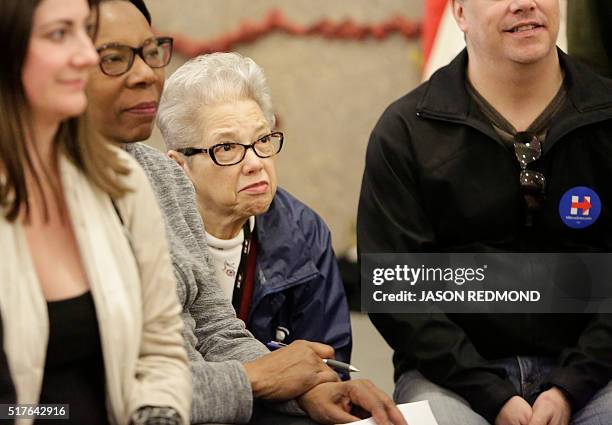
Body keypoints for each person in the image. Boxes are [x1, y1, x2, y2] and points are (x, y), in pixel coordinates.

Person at [85, 1, 405, 424]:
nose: (145, 73)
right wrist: (257, 377)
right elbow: (132, 390)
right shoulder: (46, 193)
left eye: (150, 52)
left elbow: (215, 326)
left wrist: (317, 388)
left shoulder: (162, 179)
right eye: (227, 148)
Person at [357, 1, 612, 425]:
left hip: (597, 374)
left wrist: (570, 387)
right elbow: (396, 291)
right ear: (458, 12)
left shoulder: (604, 117)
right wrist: (491, 394)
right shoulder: (406, 130)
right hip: (451, 381)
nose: (525, 3)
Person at [0, 0, 191, 424]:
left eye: (85, 31)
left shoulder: (121, 181)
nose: (87, 55)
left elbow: (159, 346)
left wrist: (157, 415)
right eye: (58, 34)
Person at [159, 52, 352, 364]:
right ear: (179, 166)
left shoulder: (304, 231)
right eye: (227, 147)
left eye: (262, 140)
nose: (255, 163)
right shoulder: (148, 235)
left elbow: (330, 365)